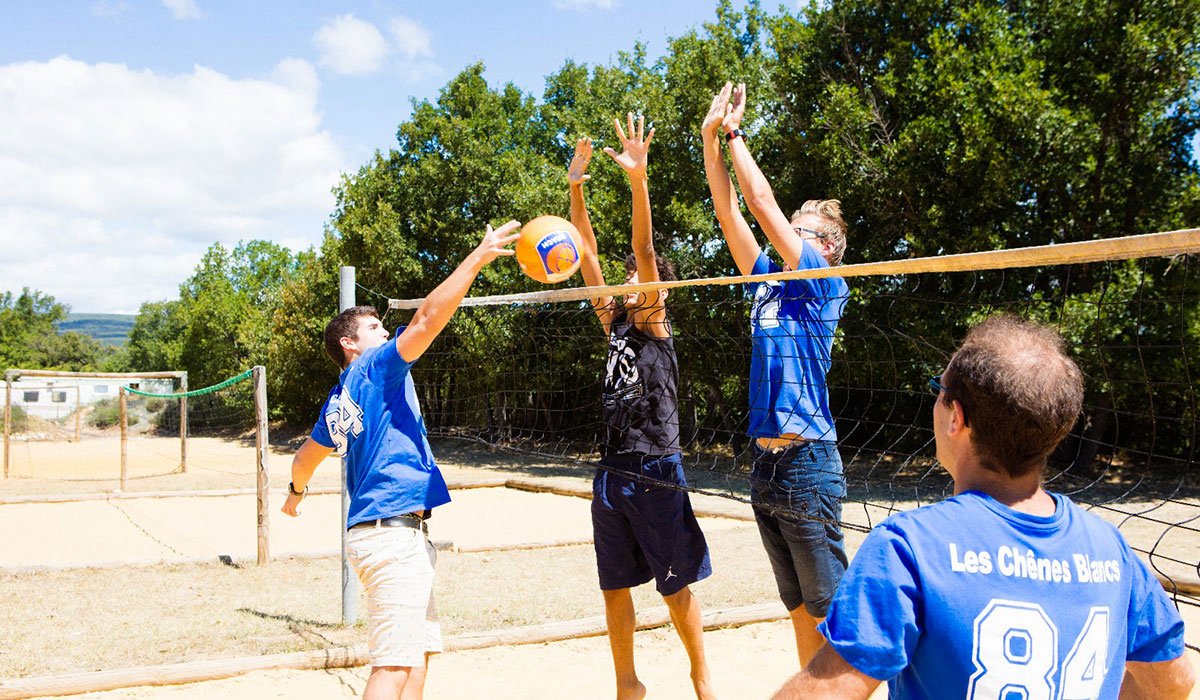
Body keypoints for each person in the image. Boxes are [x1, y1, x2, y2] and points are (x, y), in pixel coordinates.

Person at [770, 315, 1196, 700]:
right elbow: (1174, 683)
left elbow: (829, 691)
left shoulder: (908, 548)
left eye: (939, 390)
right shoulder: (1111, 550)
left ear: (956, 417)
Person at [280, 221, 521, 700]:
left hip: (386, 533)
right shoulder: (373, 367)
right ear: (348, 344)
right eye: (373, 328)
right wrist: (478, 255)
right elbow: (427, 320)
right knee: (391, 668)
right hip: (390, 535)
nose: (385, 331)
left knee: (416, 656)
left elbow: (304, 459)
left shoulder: (339, 398)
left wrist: (295, 495)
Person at [701, 81, 851, 667]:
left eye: (799, 228)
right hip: (766, 464)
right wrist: (710, 140)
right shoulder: (768, 280)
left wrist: (736, 133)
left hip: (809, 463)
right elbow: (730, 211)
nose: (786, 231)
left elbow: (760, 203)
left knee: (831, 613)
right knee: (797, 610)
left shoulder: (823, 282)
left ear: (827, 246)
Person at [569, 114, 717, 700]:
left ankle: (701, 677)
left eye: (637, 276)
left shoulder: (655, 321)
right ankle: (627, 683)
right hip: (612, 469)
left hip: (657, 467)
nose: (628, 278)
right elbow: (586, 253)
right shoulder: (614, 324)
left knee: (674, 586)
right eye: (627, 275)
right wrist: (576, 188)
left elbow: (644, 248)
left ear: (657, 288)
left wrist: (638, 178)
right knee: (614, 587)